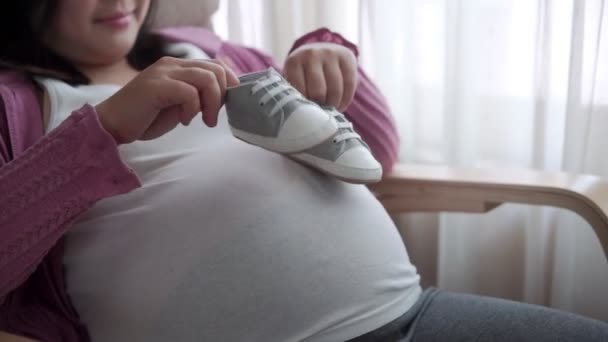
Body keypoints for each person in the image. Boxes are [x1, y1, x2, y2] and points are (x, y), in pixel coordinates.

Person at [0, 1, 606, 341]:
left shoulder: (208, 51)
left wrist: (330, 58)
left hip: (414, 320)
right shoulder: (17, 101)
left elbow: (376, 153)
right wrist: (105, 130)